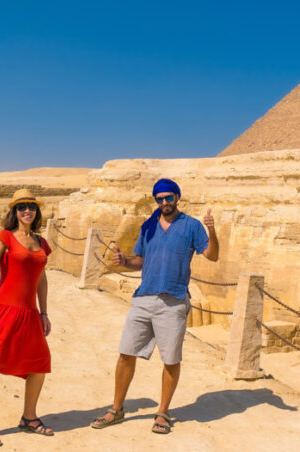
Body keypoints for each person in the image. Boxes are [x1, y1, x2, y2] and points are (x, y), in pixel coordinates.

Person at [91, 178, 218, 434]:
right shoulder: (148, 225)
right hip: (143, 298)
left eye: (169, 198)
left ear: (177, 198)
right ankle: (116, 409)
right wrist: (125, 260)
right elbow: (141, 260)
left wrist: (212, 230)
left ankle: (163, 412)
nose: (164, 203)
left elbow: (213, 255)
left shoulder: (191, 226)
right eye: (159, 199)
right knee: (126, 353)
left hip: (172, 301)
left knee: (170, 359)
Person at [0, 189, 54, 447]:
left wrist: (44, 312)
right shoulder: (4, 237)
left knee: (39, 364)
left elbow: (41, 278)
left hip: (29, 314)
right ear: (14, 211)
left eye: (32, 206)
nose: (28, 210)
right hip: (4, 310)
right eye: (22, 206)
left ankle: (29, 417)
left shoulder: (41, 243)